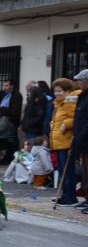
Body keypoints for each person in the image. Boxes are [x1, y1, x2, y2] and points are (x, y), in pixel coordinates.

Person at [49, 78, 80, 206]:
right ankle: (65, 195)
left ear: (67, 91)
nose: (57, 93)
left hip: (66, 141)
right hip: (59, 141)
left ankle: (70, 197)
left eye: (60, 91)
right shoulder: (59, 103)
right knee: (62, 170)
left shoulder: (70, 102)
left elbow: (75, 118)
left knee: (67, 171)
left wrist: (65, 124)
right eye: (55, 91)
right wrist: (53, 124)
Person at [72, 70, 88, 212]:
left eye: (79, 80)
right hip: (81, 140)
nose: (77, 83)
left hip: (85, 139)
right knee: (85, 172)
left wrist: (81, 136)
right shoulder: (82, 96)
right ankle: (86, 199)